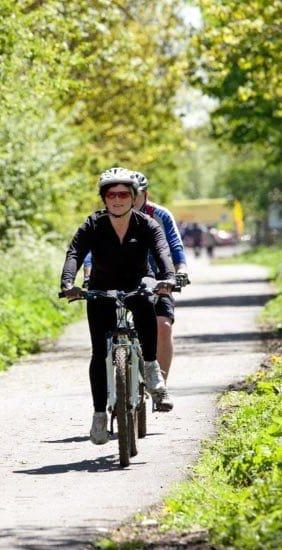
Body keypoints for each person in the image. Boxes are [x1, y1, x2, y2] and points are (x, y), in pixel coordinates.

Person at [61, 167, 175, 445]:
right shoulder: (93, 225)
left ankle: (150, 368)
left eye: (124, 194)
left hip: (138, 283)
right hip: (101, 287)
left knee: (146, 300)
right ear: (104, 198)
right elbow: (75, 252)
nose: (118, 199)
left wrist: (169, 277)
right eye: (111, 194)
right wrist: (68, 283)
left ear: (133, 197)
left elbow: (162, 251)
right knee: (99, 352)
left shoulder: (147, 225)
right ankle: (100, 415)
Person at [83, 170, 187, 410]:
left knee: (163, 325)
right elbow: (91, 251)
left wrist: (180, 270)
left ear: (142, 195)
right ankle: (112, 383)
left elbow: (174, 246)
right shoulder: (105, 218)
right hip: (119, 279)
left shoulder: (159, 216)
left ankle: (159, 386)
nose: (123, 200)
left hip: (158, 278)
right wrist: (88, 275)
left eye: (130, 195)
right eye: (115, 194)